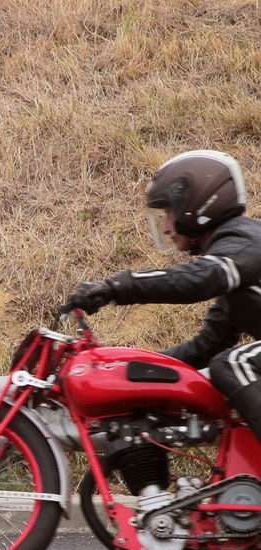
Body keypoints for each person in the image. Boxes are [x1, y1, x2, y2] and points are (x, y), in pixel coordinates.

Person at [64, 149, 261, 437]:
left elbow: (199, 279)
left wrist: (117, 286)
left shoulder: (246, 241)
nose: (166, 227)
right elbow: (205, 347)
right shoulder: (235, 273)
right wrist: (128, 369)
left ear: (198, 204)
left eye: (169, 212)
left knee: (234, 364)